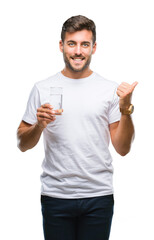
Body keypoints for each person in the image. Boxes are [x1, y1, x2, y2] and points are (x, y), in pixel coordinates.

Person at [17, 15, 138, 240]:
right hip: (56, 196)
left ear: (94, 48)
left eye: (85, 44)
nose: (78, 51)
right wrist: (40, 125)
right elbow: (22, 143)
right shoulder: (42, 88)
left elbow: (122, 148)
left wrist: (125, 109)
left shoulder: (109, 89)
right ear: (62, 46)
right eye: (72, 43)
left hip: (98, 196)